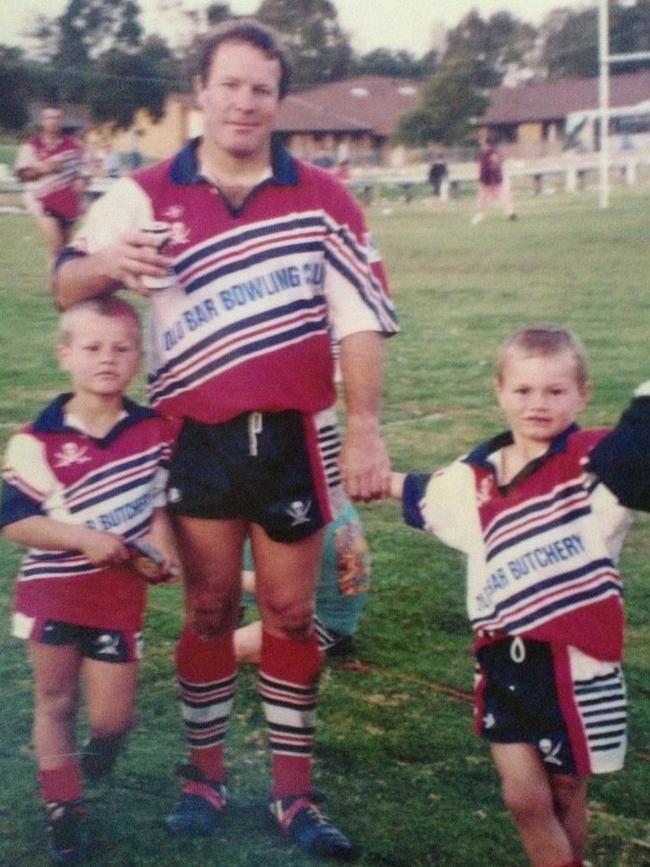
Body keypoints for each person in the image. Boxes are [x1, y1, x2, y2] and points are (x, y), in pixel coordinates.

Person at [52, 18, 397, 860]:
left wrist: (362, 425)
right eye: (230, 84)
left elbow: (358, 323)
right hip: (194, 439)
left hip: (290, 438)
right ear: (199, 92)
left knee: (289, 611)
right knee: (208, 609)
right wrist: (106, 265)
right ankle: (204, 776)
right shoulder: (143, 190)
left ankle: (292, 792)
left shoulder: (323, 194)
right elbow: (65, 281)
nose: (245, 102)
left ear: (279, 100)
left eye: (261, 88)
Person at [387, 325, 633, 867]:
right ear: (500, 390)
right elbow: (421, 493)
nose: (538, 404)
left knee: (566, 789)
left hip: (576, 664)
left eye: (555, 391)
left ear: (583, 394)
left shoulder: (597, 466)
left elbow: (637, 468)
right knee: (524, 796)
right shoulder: (474, 477)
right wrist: (369, 476)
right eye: (523, 391)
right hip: (502, 658)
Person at [0, 296, 180, 864]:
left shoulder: (155, 430)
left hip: (117, 599)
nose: (108, 359)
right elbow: (14, 520)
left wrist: (162, 552)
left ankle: (97, 754)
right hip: (52, 591)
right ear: (65, 355)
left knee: (112, 719)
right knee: (55, 702)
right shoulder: (38, 439)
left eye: (122, 348)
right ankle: (64, 808)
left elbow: (159, 508)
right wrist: (80, 539)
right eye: (93, 347)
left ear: (139, 357)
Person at [236, 496, 370, 663]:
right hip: (334, 619)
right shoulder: (326, 500)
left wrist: (208, 576)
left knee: (212, 650)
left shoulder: (292, 520)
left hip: (318, 626)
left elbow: (280, 590)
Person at [15, 106, 87, 269]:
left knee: (65, 250)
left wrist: (82, 180)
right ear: (42, 121)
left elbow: (84, 170)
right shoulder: (31, 145)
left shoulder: (73, 145)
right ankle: (58, 286)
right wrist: (44, 168)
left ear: (61, 121)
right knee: (56, 246)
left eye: (56, 118)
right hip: (42, 199)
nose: (53, 121)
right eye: (49, 118)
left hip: (68, 201)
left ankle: (59, 285)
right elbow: (23, 175)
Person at [472, 138, 516, 224]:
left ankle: (480, 215)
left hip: (488, 181)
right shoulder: (496, 153)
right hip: (497, 179)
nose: (482, 146)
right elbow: (498, 167)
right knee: (503, 197)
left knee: (483, 198)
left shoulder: (485, 154)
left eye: (484, 144)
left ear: (487, 145)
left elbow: (484, 169)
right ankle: (511, 213)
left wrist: (481, 180)